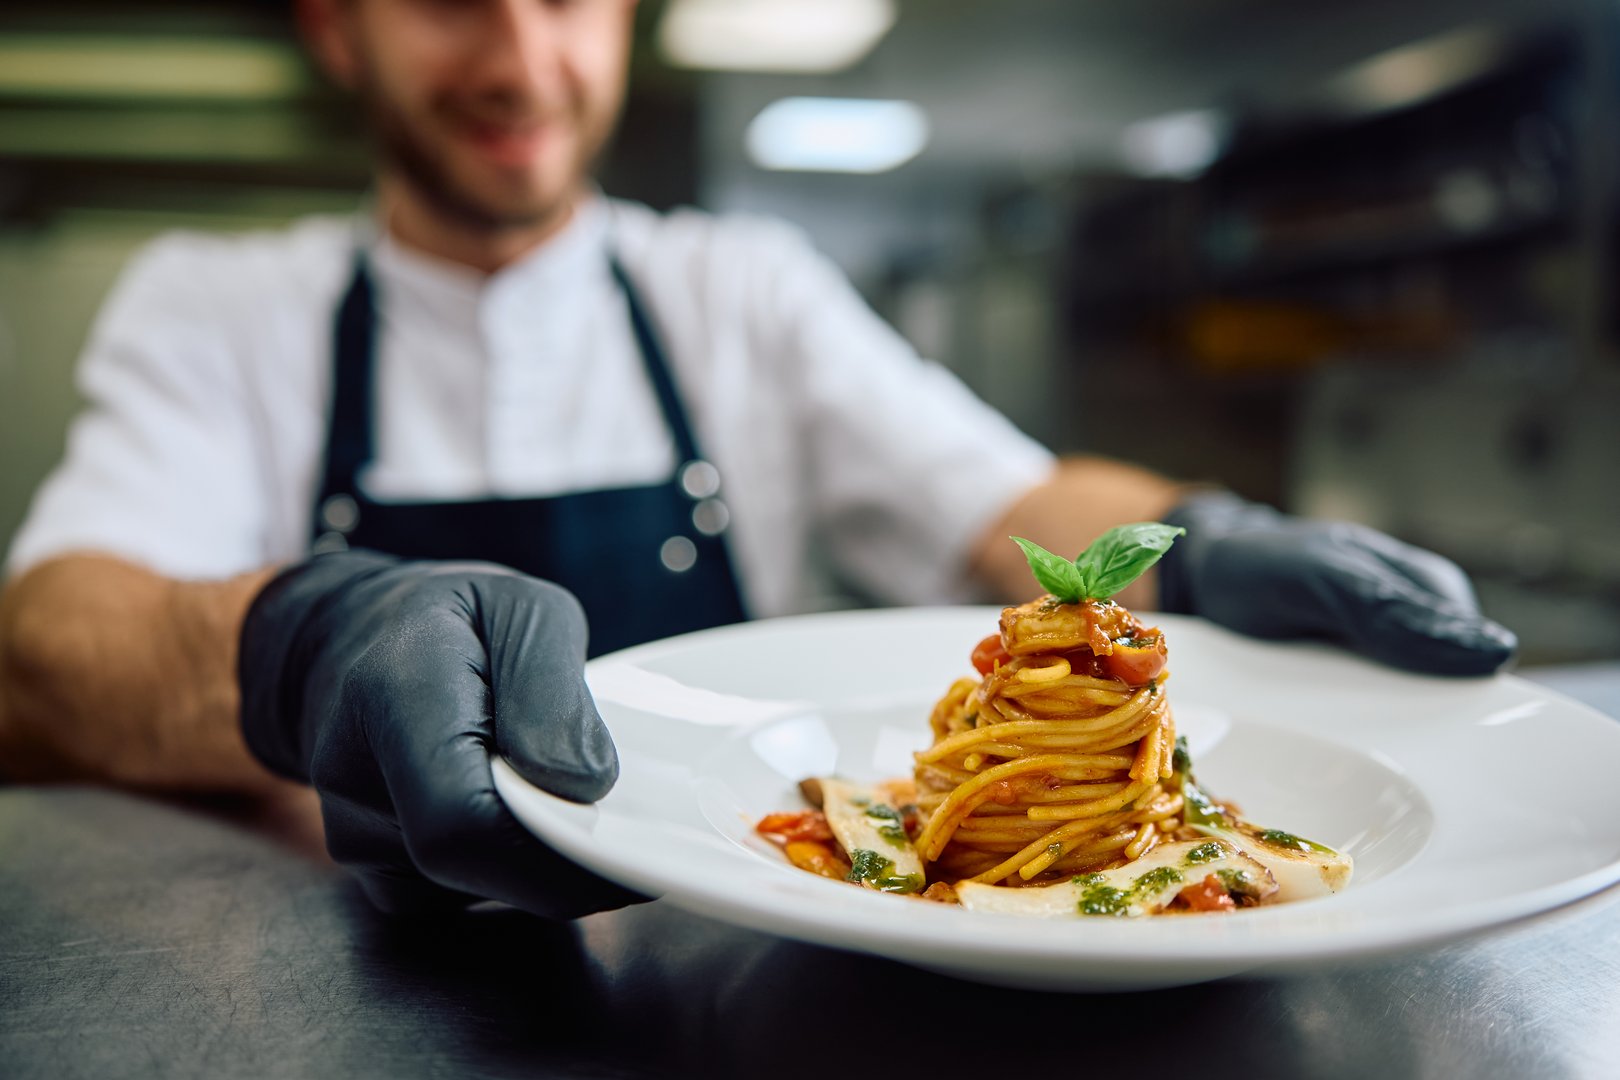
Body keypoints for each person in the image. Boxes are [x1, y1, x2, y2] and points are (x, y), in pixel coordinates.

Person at [0, 0, 1513, 919]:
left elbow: (1010, 506)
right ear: (340, 27)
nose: (523, 58)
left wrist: (1204, 535)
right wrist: (301, 644)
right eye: (455, 1)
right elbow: (50, 646)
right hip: (361, 965)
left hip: (765, 958)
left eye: (570, 5)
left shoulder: (743, 288)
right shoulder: (218, 306)